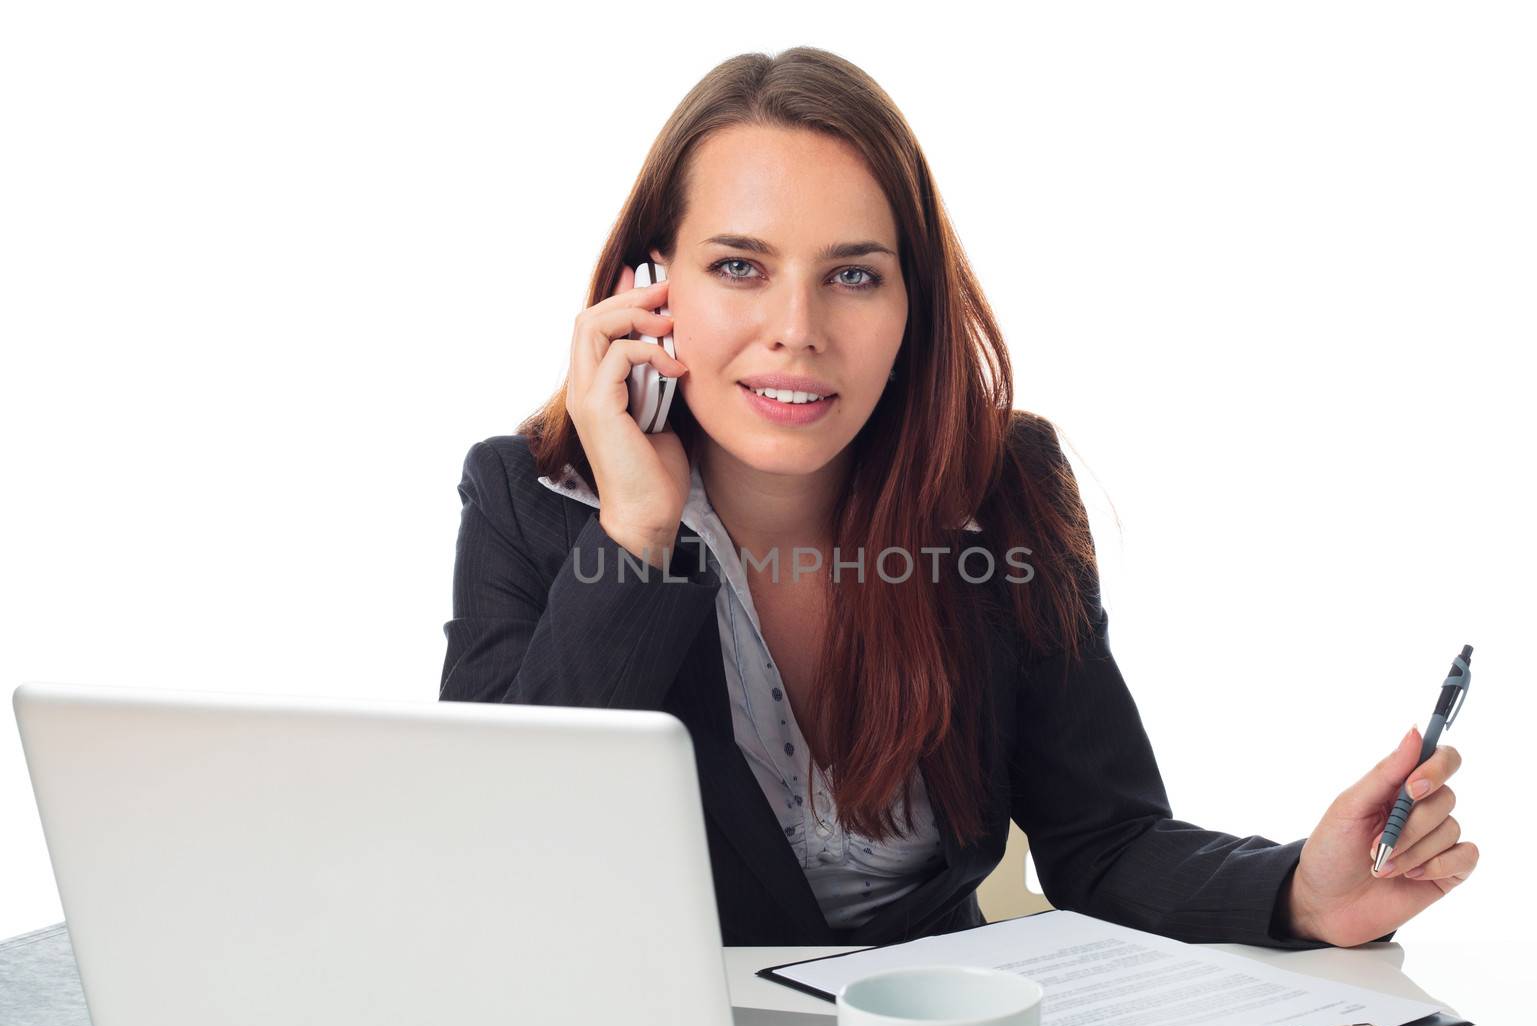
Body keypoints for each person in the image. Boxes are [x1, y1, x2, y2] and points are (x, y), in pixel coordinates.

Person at [439, 47, 1477, 949]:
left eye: (852, 276)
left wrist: (1301, 892)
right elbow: (495, 862)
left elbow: (1099, 837)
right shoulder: (530, 502)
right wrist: (633, 532)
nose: (795, 328)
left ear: (910, 305)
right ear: (649, 285)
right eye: (739, 266)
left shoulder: (1004, 491)